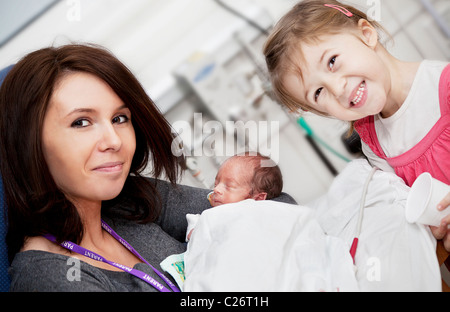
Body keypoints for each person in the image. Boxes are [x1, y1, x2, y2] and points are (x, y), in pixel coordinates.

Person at [0, 44, 297, 292]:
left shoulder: (132, 201)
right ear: (30, 143)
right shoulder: (50, 278)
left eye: (119, 118)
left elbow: (277, 206)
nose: (114, 140)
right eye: (81, 122)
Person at [263, 0, 449, 251]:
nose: (337, 88)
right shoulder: (373, 142)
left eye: (332, 61)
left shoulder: (444, 89)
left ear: (366, 34)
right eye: (318, 92)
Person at [186, 152, 283, 240]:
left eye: (229, 186)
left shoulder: (258, 227)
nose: (216, 189)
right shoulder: (204, 218)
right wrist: (195, 233)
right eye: (216, 184)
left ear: (257, 199)